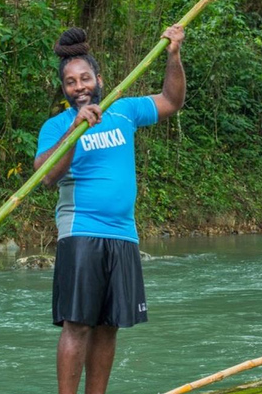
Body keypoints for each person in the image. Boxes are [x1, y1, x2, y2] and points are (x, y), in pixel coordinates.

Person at [34, 24, 185, 394]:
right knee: (78, 324)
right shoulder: (57, 126)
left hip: (123, 234)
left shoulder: (124, 110)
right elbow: (46, 176)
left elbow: (172, 100)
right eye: (71, 83)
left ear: (99, 79)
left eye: (85, 78)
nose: (79, 87)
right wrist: (75, 129)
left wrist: (174, 55)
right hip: (81, 232)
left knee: (108, 325)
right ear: (64, 90)